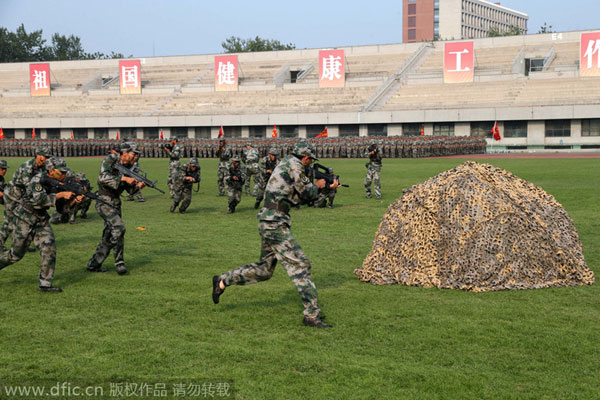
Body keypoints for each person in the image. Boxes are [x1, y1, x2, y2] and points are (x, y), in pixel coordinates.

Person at [212, 141, 339, 328]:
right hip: (275, 223)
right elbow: (306, 192)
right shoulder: (295, 165)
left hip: (269, 220)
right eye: (310, 161)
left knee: (264, 270)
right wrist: (321, 185)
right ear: (305, 157)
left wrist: (321, 188)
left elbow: (296, 197)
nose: (309, 164)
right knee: (301, 265)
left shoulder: (285, 163)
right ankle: (311, 315)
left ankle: (223, 280)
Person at [0, 157, 82, 292]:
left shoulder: (57, 183)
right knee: (15, 255)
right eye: (61, 172)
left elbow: (62, 210)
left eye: (65, 172)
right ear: (51, 171)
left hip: (41, 220)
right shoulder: (37, 180)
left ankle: (45, 284)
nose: (64, 175)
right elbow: (39, 201)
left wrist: (74, 201)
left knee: (49, 249)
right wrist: (60, 195)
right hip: (25, 219)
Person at [86, 143, 145, 275]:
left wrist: (138, 186)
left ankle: (94, 264)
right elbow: (102, 178)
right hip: (103, 201)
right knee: (119, 228)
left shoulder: (133, 168)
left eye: (137, 155)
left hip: (116, 203)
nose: (136, 157)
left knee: (109, 235)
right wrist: (124, 178)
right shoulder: (111, 160)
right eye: (133, 154)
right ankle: (120, 263)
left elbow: (130, 191)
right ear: (124, 153)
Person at [0, 147, 52, 249]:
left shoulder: (43, 168)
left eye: (47, 157)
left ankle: (22, 245)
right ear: (38, 155)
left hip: (24, 195)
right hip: (13, 195)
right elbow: (29, 186)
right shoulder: (27, 167)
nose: (46, 159)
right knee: (9, 221)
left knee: (25, 220)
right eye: (44, 157)